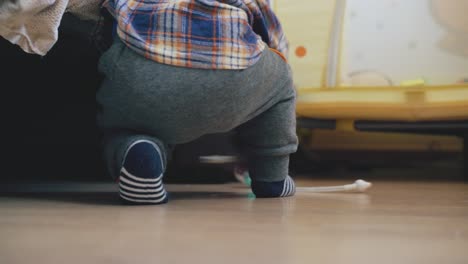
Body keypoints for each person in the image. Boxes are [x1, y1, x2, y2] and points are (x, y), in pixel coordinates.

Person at [97, 0, 298, 205]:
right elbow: (271, 33)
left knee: (126, 126)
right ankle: (272, 177)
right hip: (235, 77)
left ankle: (140, 151)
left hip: (144, 73)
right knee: (282, 81)